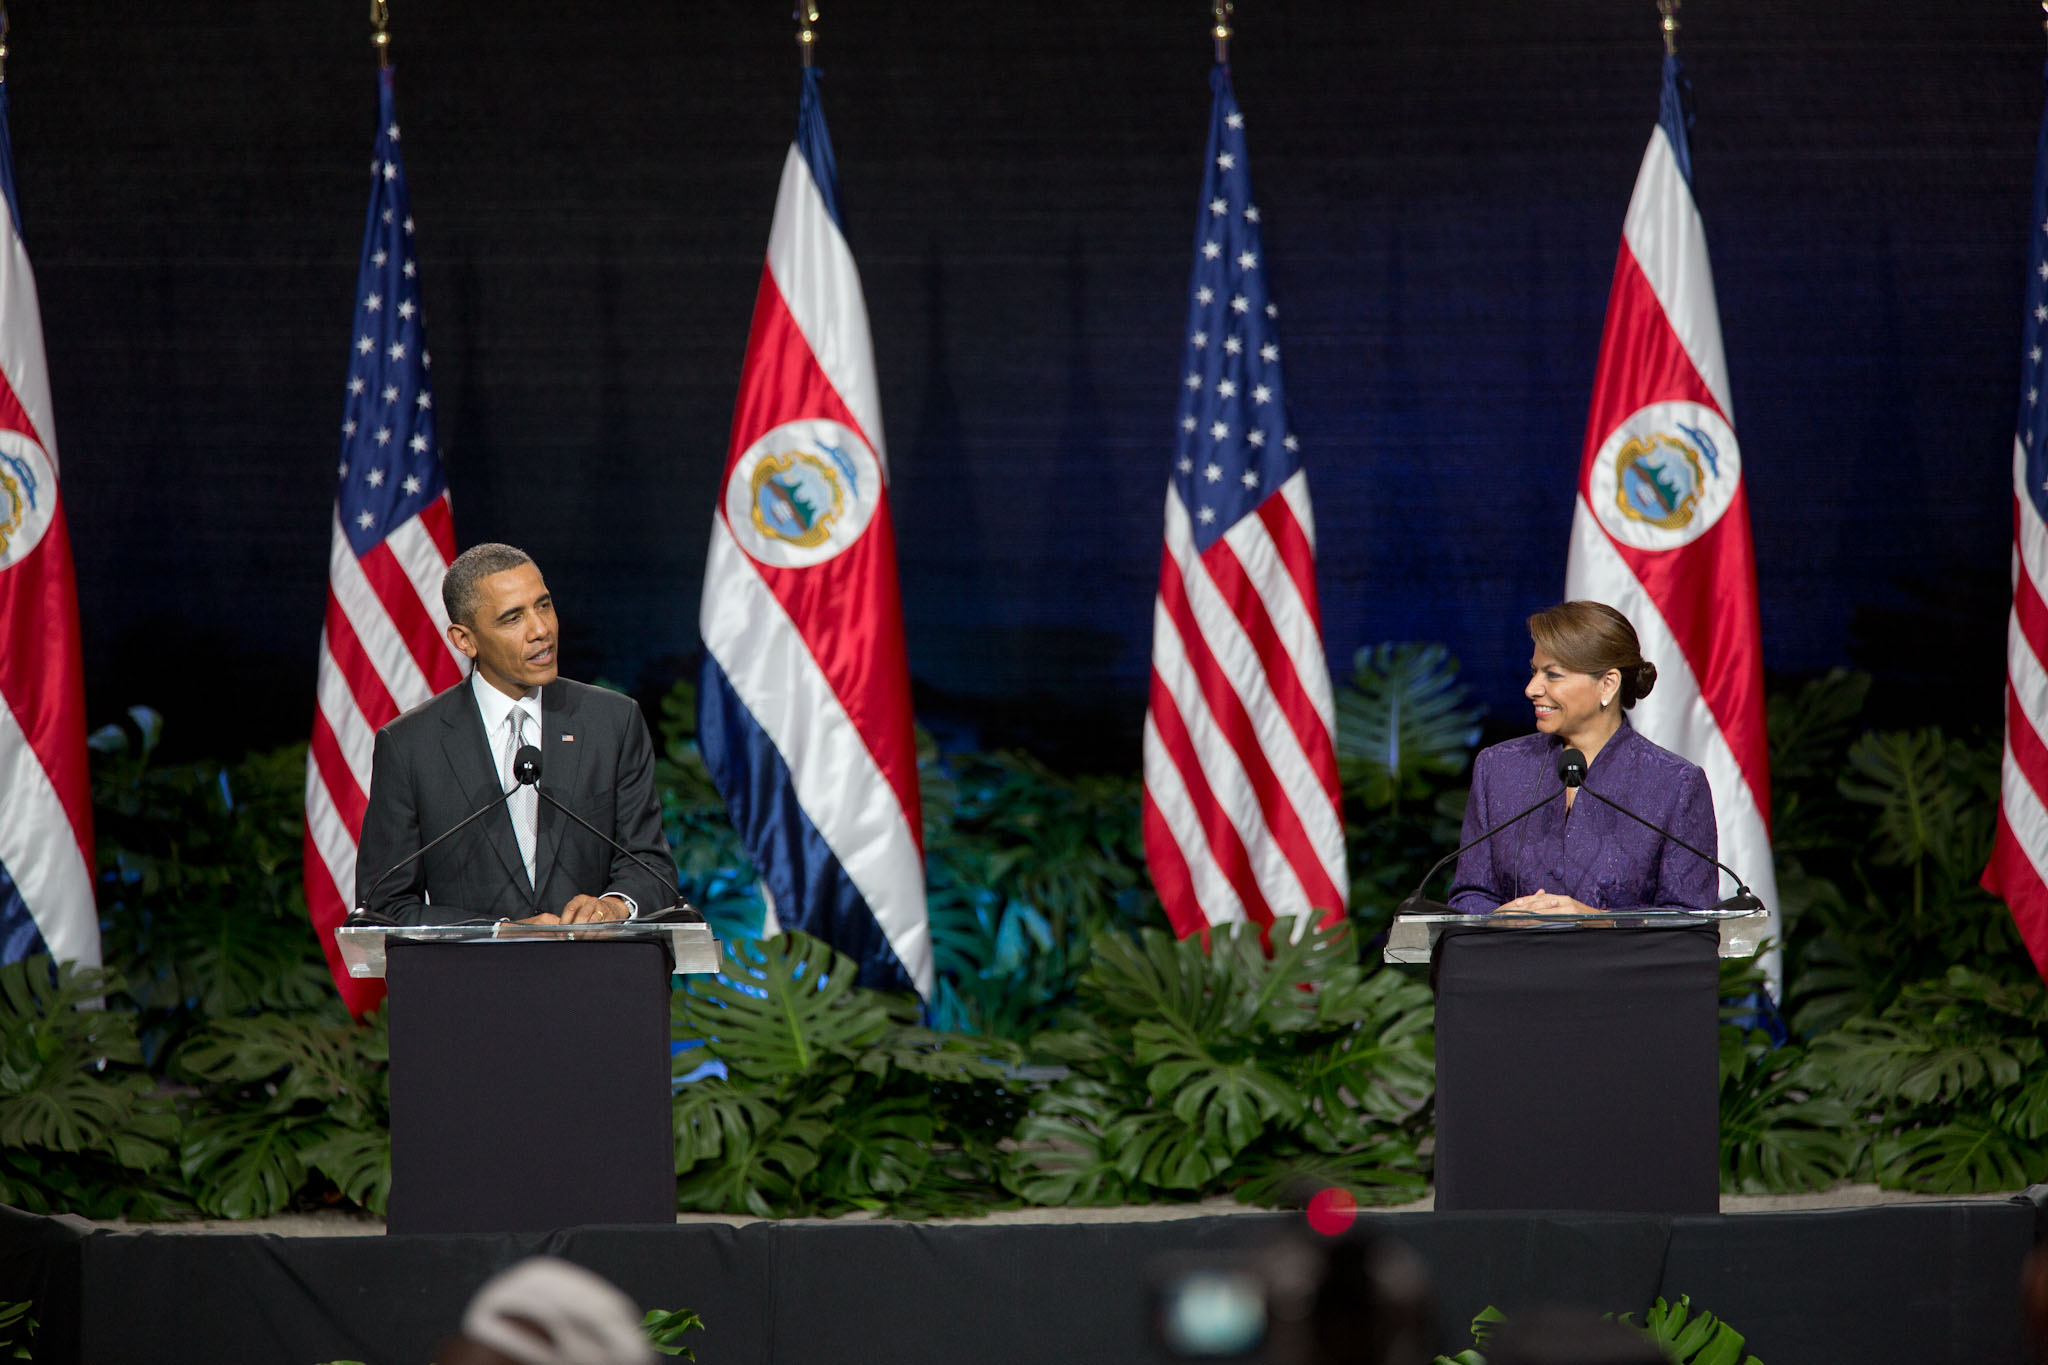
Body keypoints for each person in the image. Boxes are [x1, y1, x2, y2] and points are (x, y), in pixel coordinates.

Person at [354, 542, 678, 925]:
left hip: (594, 972)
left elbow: (650, 864)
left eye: (543, 605)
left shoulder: (612, 722)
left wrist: (614, 905)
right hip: (472, 981)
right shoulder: (410, 746)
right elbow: (385, 905)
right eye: (512, 619)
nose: (541, 630)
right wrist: (498, 934)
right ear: (464, 640)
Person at [1447, 600, 1717, 916]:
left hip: (1623, 966)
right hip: (1516, 961)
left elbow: (1689, 920)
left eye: (1553, 675)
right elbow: (1470, 894)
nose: (1532, 688)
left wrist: (1595, 921)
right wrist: (1501, 919)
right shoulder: (1498, 768)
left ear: (1608, 684)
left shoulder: (1675, 784)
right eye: (1535, 672)